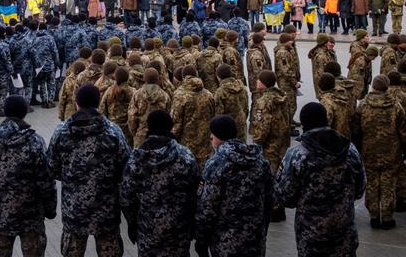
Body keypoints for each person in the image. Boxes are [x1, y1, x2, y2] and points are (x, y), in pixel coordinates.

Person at [47, 84, 130, 257]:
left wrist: (73, 177)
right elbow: (126, 169)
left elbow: (52, 168)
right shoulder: (113, 132)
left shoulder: (62, 132)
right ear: (99, 103)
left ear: (76, 103)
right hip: (106, 209)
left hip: (74, 209)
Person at [275, 102, 365, 257]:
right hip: (344, 230)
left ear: (303, 124)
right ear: (326, 119)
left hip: (311, 235)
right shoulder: (350, 150)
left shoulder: (297, 155)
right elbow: (360, 188)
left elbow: (285, 196)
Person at [0, 95, 56, 257]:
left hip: (0, 215)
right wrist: (50, 207)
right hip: (31, 216)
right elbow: (45, 180)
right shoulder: (35, 142)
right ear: (25, 113)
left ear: (5, 112)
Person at [120, 110, 200, 257]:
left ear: (148, 128)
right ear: (170, 128)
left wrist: (133, 224)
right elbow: (195, 194)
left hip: (147, 229)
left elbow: (126, 197)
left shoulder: (136, 159)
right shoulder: (185, 156)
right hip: (178, 230)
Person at [195, 114, 273, 257]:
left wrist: (201, 240)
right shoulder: (261, 161)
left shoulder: (215, 164)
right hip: (255, 238)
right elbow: (269, 201)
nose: (211, 137)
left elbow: (208, 208)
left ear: (219, 135)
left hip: (225, 242)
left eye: (213, 133)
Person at [355, 75, 406, 230]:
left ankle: (374, 216)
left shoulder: (363, 105)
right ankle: (387, 217)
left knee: (371, 183)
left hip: (369, 151)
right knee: (388, 184)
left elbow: (356, 130)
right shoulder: (395, 106)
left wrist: (358, 148)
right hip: (391, 152)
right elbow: (403, 131)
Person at [250, 70, 290, 222]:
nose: (256, 82)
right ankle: (279, 207)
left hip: (269, 145)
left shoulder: (264, 101)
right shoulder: (281, 96)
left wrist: (257, 141)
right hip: (281, 141)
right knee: (279, 175)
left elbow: (263, 125)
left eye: (258, 80)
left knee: (270, 176)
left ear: (263, 83)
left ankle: (273, 209)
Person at [170, 66, 215, 167]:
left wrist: (172, 139)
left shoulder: (179, 95)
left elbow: (176, 122)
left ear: (183, 77)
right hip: (205, 143)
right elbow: (213, 116)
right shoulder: (208, 94)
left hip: (186, 145)